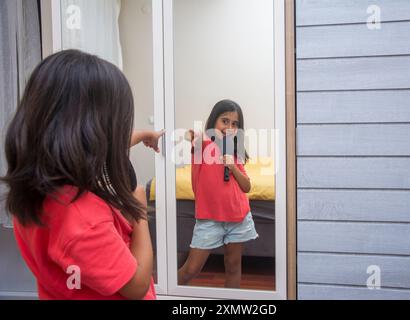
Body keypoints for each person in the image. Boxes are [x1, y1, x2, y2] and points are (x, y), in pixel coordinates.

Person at [0, 49, 163, 300]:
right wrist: (140, 213)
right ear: (89, 134)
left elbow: (104, 147)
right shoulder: (82, 221)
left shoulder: (40, 184)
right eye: (114, 125)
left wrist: (143, 135)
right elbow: (137, 286)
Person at [178, 99, 258, 288]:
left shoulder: (235, 151)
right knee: (191, 269)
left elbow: (246, 187)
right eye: (224, 121)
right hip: (209, 219)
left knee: (233, 266)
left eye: (234, 124)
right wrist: (192, 136)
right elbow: (193, 137)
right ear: (214, 121)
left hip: (238, 217)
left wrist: (232, 166)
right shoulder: (204, 145)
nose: (229, 127)